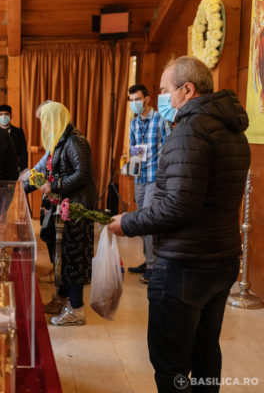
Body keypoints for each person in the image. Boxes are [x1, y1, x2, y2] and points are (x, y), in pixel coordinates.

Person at [108, 56, 250, 392]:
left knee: (170, 363)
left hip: (186, 265)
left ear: (187, 89)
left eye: (164, 90)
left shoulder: (190, 130)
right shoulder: (231, 131)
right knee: (205, 351)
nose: (161, 98)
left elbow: (178, 206)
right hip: (221, 258)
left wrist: (128, 222)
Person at [24, 101, 97, 325]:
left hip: (76, 210)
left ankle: (77, 310)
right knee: (61, 258)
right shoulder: (57, 141)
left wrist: (54, 186)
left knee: (73, 259)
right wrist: (21, 185)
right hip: (61, 208)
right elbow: (40, 169)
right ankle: (63, 299)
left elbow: (82, 174)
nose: (44, 126)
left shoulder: (75, 141)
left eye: (46, 122)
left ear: (56, 119)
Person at [127, 84, 172, 282]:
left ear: (147, 99)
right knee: (141, 221)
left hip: (155, 177)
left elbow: (169, 148)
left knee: (149, 219)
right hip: (140, 178)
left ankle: (154, 266)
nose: (134, 103)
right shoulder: (134, 123)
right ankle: (148, 260)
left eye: (137, 99)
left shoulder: (161, 119)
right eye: (131, 100)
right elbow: (135, 150)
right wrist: (132, 171)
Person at [0, 104, 28, 172]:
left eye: (6, 114)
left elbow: (23, 154)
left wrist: (23, 171)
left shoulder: (18, 132)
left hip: (13, 169)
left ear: (11, 116)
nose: (3, 116)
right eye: (1, 114)